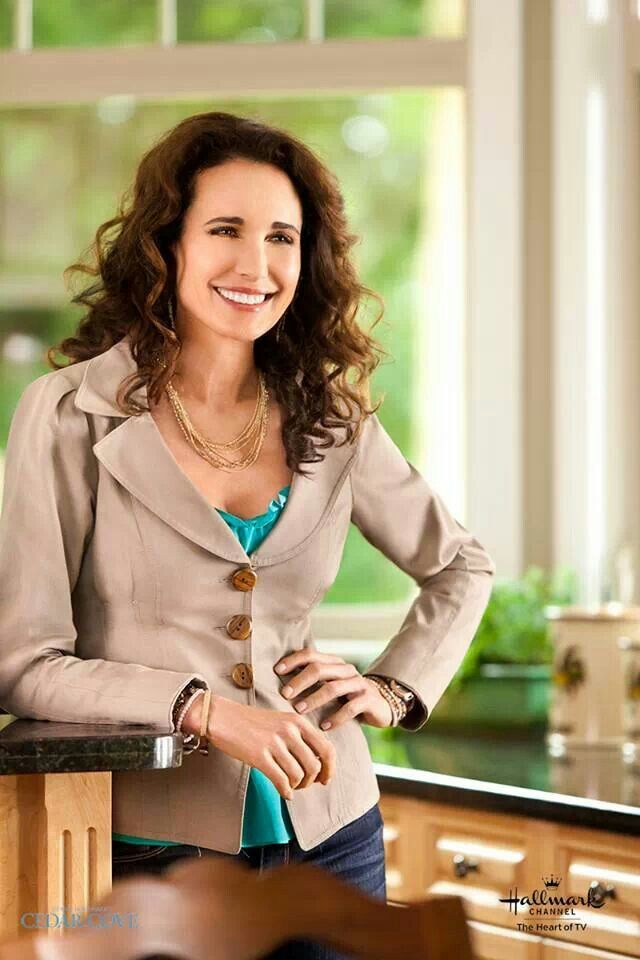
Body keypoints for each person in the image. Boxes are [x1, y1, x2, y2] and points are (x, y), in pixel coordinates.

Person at [0, 111, 495, 959]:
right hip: (142, 848)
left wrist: (393, 688)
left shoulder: (333, 419)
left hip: (331, 834)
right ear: (168, 244)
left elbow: (460, 566)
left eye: (282, 237)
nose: (256, 265)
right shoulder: (69, 415)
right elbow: (23, 664)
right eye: (225, 229)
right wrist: (202, 711)